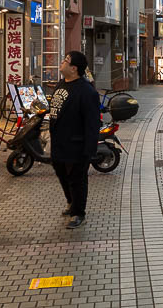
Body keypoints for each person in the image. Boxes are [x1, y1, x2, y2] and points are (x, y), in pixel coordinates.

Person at [49, 51, 101, 229]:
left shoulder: (86, 91)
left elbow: (92, 123)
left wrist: (89, 150)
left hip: (76, 145)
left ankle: (79, 213)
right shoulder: (62, 84)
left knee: (77, 179)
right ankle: (71, 202)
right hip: (58, 142)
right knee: (62, 175)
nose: (62, 63)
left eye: (66, 61)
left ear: (74, 68)